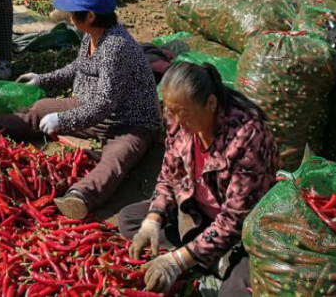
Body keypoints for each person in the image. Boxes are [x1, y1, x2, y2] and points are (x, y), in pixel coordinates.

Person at [0, 0, 161, 219]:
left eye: (73, 12)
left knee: (115, 160)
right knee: (38, 110)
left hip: (129, 122)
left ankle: (80, 197)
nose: (69, 16)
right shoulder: (92, 36)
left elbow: (105, 103)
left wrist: (64, 119)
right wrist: (42, 80)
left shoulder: (115, 48)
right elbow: (78, 68)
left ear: (90, 16)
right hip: (90, 108)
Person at [118, 62, 278, 296]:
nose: (174, 120)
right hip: (195, 214)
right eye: (169, 111)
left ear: (211, 104)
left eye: (181, 112)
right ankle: (206, 259)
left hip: (241, 234)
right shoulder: (178, 123)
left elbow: (234, 220)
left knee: (236, 292)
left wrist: (177, 262)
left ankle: (203, 259)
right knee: (130, 219)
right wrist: (153, 219)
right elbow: (169, 176)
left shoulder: (248, 139)